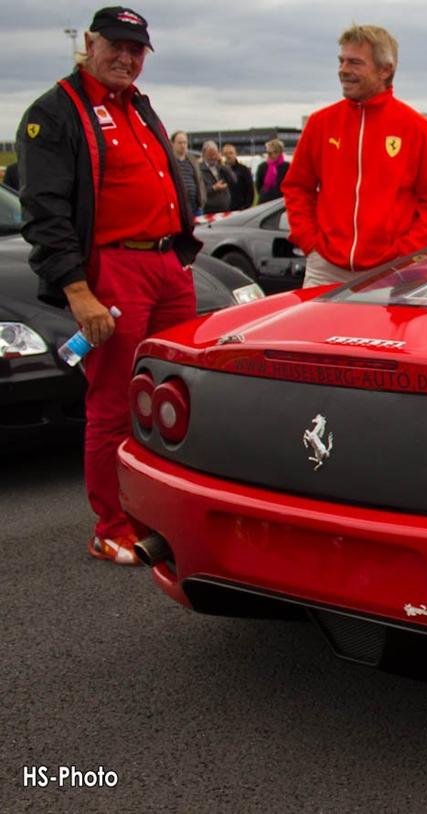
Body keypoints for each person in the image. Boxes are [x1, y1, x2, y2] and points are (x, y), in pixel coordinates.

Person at [17, 6, 201, 564]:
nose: (126, 58)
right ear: (90, 44)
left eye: (137, 50)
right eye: (116, 46)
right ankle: (111, 525)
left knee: (180, 394)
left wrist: (182, 255)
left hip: (167, 265)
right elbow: (44, 211)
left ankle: (164, 509)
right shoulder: (55, 111)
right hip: (113, 273)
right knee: (113, 404)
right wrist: (77, 290)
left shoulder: (138, 105)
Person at [283, 24, 427, 288]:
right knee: (315, 331)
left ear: (386, 70)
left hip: (392, 270)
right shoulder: (320, 123)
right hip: (326, 268)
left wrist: (406, 253)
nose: (343, 70)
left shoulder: (416, 127)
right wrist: (310, 242)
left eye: (355, 63)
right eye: (341, 61)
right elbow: (297, 188)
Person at [171, 130, 204, 214]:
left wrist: (202, 200)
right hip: (178, 208)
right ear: (173, 144)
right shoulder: (169, 161)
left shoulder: (193, 160)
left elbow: (199, 181)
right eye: (180, 143)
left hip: (195, 207)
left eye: (185, 143)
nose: (183, 146)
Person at [198, 140, 234, 214]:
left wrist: (222, 164)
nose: (213, 157)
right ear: (204, 154)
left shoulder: (221, 167)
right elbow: (200, 191)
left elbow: (233, 180)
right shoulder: (199, 169)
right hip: (209, 210)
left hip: (225, 208)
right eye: (210, 155)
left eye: (215, 154)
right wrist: (213, 188)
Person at [255, 138, 288, 203]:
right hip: (264, 201)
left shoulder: (287, 167)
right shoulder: (262, 166)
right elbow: (258, 185)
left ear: (279, 152)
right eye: (268, 153)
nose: (270, 155)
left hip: (281, 202)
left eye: (272, 152)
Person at [222, 143, 254, 210]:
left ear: (235, 154)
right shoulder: (220, 170)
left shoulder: (244, 170)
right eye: (225, 153)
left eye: (231, 153)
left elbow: (250, 191)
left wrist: (246, 206)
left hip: (241, 209)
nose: (228, 156)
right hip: (224, 209)